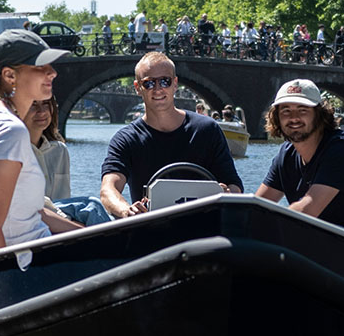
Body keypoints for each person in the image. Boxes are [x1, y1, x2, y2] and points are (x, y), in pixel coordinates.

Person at [0, 29, 82, 264]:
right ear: (10, 76)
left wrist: (87, 236)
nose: (52, 73)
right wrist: (6, 284)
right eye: (40, 66)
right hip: (32, 268)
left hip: (30, 258)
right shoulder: (10, 131)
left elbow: (31, 213)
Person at [100, 52, 243, 218]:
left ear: (175, 84)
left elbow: (235, 186)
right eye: (149, 83)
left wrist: (226, 192)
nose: (158, 89)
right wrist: (126, 210)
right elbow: (108, 190)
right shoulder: (126, 139)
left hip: (204, 230)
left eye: (164, 81)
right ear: (138, 88)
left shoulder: (207, 130)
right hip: (150, 231)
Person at [256, 79, 344, 237]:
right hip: (319, 236)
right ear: (276, 118)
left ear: (319, 115)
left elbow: (307, 210)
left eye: (303, 110)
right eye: (286, 111)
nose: (294, 118)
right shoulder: (286, 154)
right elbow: (258, 207)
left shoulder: (342, 148)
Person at [21, 95, 111, 226]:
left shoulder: (59, 151)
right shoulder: (15, 151)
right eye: (33, 104)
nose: (42, 111)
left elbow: (64, 199)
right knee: (92, 206)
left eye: (46, 103)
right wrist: (69, 223)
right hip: (33, 219)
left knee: (95, 210)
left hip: (58, 218)